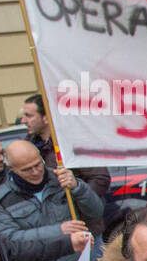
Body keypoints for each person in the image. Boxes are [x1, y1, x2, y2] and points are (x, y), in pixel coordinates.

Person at [0, 139, 102, 261]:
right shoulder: (2, 199)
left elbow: (96, 212)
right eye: (27, 170)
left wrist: (78, 188)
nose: (35, 172)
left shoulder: (61, 179)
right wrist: (58, 230)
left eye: (38, 164)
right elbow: (9, 239)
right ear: (11, 168)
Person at [19, 94, 111, 234]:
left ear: (46, 118)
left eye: (29, 116)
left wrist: (73, 204)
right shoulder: (29, 146)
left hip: (83, 227)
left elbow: (100, 178)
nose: (23, 121)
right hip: (52, 232)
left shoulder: (72, 143)